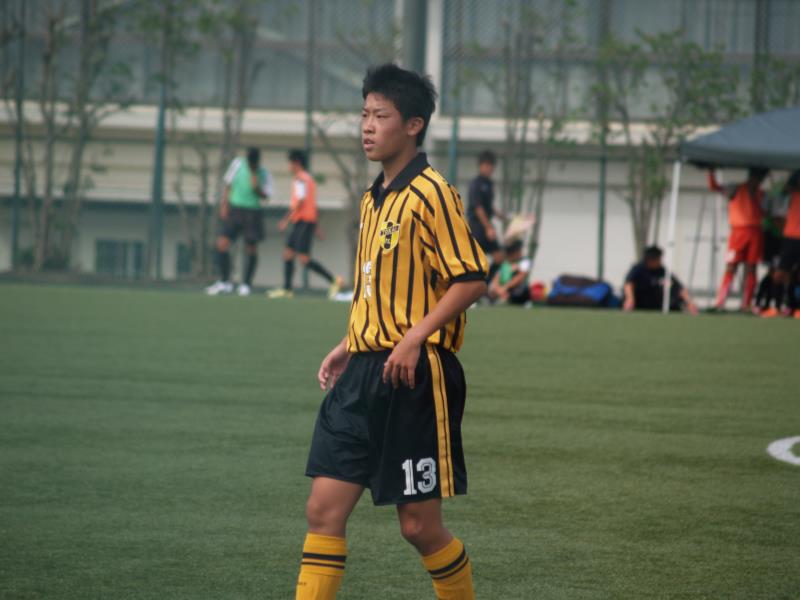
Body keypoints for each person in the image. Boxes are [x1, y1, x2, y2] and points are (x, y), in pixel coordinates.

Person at [294, 64, 487, 600]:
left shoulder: (432, 192)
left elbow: (471, 278)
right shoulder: (372, 197)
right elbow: (379, 288)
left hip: (415, 376)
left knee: (418, 527)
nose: (367, 126)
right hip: (361, 372)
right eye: (364, 114)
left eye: (380, 115)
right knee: (322, 510)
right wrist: (349, 343)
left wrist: (412, 338)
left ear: (413, 125)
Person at [268, 150, 342, 299]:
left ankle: (334, 280)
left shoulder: (300, 179)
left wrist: (285, 220)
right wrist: (317, 227)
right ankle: (287, 289)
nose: (288, 166)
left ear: (296, 163)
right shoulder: (308, 179)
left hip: (304, 222)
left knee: (304, 259)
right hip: (302, 222)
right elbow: (312, 204)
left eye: (290, 163)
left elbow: (301, 201)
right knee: (288, 254)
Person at [205, 147, 272, 296]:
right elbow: (228, 184)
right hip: (235, 210)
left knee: (251, 248)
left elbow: (266, 195)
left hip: (253, 212)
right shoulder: (237, 164)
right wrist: (224, 204)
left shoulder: (264, 173)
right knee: (222, 243)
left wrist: (256, 188)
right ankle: (225, 282)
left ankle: (246, 285)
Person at [707, 167, 769, 311]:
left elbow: (767, 212)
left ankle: (746, 304)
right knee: (731, 266)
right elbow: (715, 187)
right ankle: (720, 302)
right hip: (738, 232)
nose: (758, 181)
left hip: (755, 232)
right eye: (756, 177)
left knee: (751, 267)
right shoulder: (735, 188)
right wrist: (711, 173)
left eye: (761, 178)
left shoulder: (762, 194)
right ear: (751, 176)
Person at [763, 170, 800, 318]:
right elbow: (784, 190)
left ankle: (796, 308)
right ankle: (776, 307)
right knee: (778, 275)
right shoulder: (791, 195)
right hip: (790, 239)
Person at [623, 245, 698, 314]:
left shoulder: (664, 272)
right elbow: (628, 284)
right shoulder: (638, 269)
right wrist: (630, 298)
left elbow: (680, 289)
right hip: (639, 306)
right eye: (650, 259)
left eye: (654, 259)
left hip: (658, 307)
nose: (651, 261)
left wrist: (689, 302)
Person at [467, 150, 503, 284]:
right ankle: (473, 288)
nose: (490, 168)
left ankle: (484, 286)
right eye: (487, 165)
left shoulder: (489, 184)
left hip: (487, 225)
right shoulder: (476, 184)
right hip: (477, 226)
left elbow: (488, 205)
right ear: (480, 165)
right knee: (475, 262)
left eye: (492, 165)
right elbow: (478, 207)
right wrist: (488, 228)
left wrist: (499, 214)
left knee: (499, 257)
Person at [488, 239, 531, 305]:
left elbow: (520, 277)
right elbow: (496, 278)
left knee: (521, 290)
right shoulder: (505, 263)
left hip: (516, 289)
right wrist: (498, 289)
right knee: (491, 290)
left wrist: (505, 288)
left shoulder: (524, 261)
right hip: (502, 289)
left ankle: (506, 298)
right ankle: (499, 298)